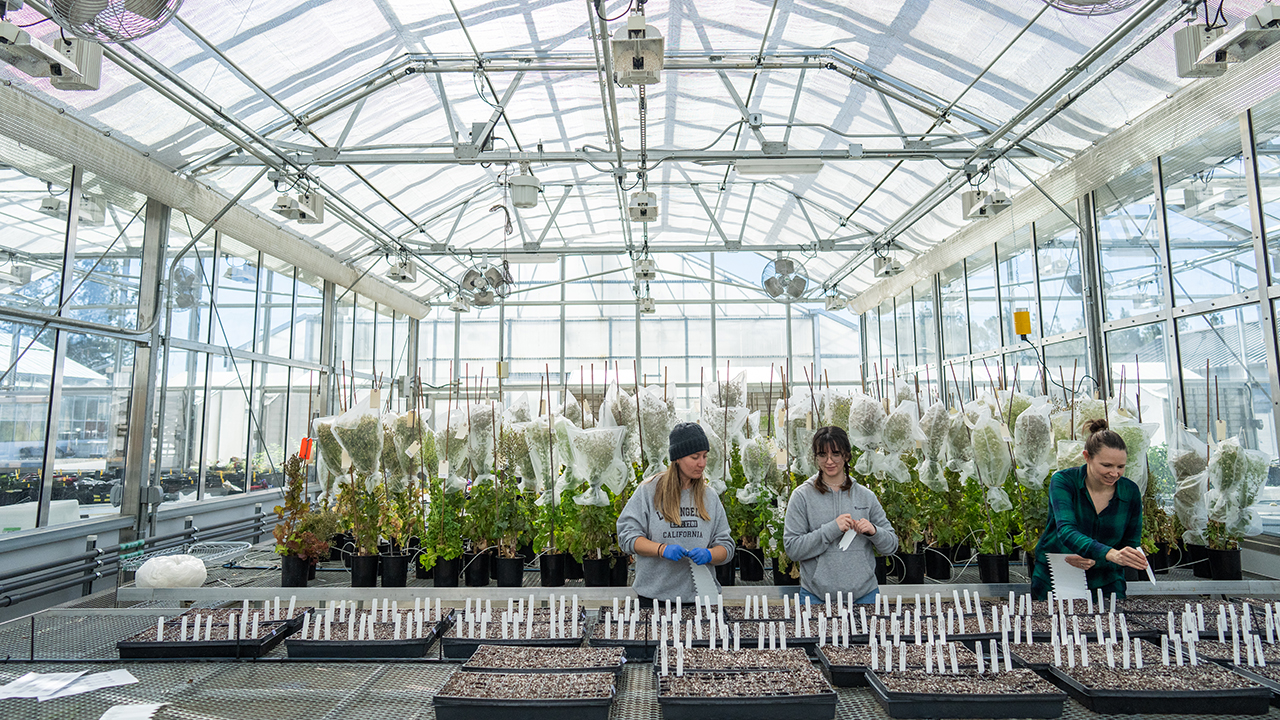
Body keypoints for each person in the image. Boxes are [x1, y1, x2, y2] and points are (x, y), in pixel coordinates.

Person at [617, 422, 735, 607]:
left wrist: (710, 554)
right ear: (677, 458)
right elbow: (627, 537)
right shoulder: (649, 492)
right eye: (695, 457)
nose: (702, 463)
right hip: (655, 599)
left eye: (704, 456)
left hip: (701, 599)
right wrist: (661, 550)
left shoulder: (709, 496)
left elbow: (726, 547)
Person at [1031, 418, 1147, 600]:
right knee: (1055, 627)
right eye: (1106, 465)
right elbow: (1066, 531)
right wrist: (1107, 553)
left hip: (1106, 581)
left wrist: (1098, 559)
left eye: (1121, 467)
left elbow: (1130, 544)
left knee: (1112, 625)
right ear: (1087, 457)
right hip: (1057, 576)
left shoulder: (1130, 492)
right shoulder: (1064, 482)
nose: (1115, 473)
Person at [784, 426, 897, 607]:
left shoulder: (865, 496)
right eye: (822, 455)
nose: (829, 461)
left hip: (865, 596)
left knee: (868, 636)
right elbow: (792, 548)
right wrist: (831, 529)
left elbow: (891, 545)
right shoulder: (802, 497)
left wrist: (874, 532)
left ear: (846, 455)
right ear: (816, 457)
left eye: (835, 454)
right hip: (816, 597)